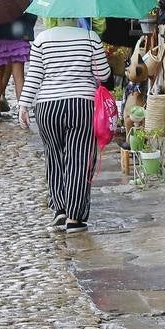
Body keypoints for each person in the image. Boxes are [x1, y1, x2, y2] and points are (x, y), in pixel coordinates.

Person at [19, 20, 112, 234]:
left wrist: (24, 105)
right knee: (79, 158)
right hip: (81, 104)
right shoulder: (90, 38)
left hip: (48, 106)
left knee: (53, 156)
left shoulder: (42, 39)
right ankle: (74, 217)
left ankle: (59, 208)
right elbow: (104, 75)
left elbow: (34, 76)